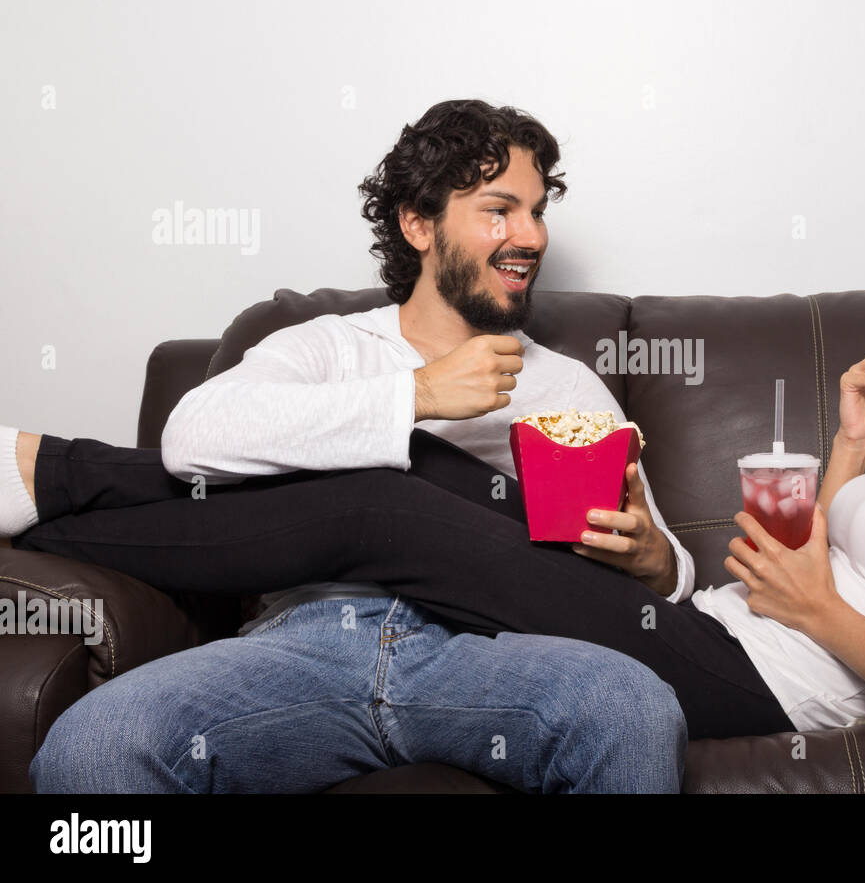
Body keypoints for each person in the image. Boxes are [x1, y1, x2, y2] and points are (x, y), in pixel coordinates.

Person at [8, 200, 865, 771]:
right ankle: (54, 474)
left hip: (751, 675)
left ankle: (45, 473)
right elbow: (836, 550)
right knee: (415, 457)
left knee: (380, 505)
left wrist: (815, 610)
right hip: (709, 629)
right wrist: (854, 438)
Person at [7, 99, 694, 794]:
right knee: (92, 746)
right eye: (499, 209)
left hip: (489, 651)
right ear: (418, 223)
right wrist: (419, 393)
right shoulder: (326, 344)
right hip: (304, 647)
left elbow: (671, 581)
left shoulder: (567, 386)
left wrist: (656, 561)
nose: (531, 236)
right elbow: (192, 439)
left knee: (630, 706)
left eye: (537, 210)